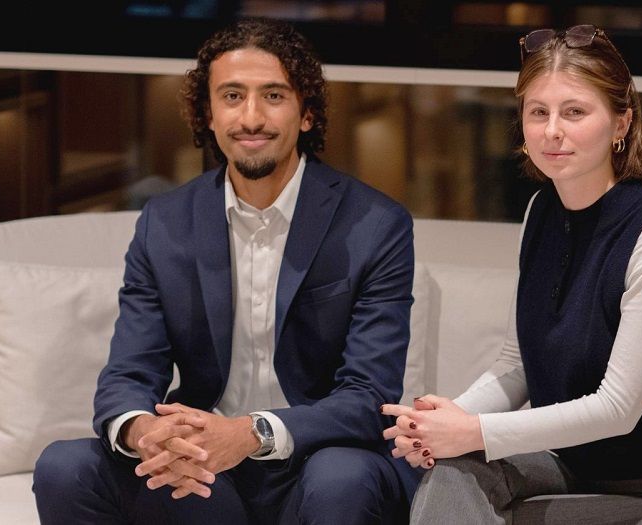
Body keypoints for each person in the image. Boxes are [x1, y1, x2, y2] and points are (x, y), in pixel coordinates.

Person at [33, 17, 419, 524]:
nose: (251, 118)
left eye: (274, 96)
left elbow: (368, 396)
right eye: (232, 96)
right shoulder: (165, 222)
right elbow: (130, 371)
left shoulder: (375, 224)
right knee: (64, 467)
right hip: (204, 467)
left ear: (306, 113)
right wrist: (147, 433)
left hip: (317, 462)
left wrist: (250, 433)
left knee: (341, 477)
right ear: (208, 114)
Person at [381, 24, 642, 524]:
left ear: (621, 122)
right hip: (575, 471)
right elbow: (517, 365)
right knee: (454, 471)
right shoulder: (541, 211)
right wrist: (442, 423)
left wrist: (475, 431)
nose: (552, 130)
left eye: (574, 112)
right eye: (538, 112)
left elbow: (618, 408)